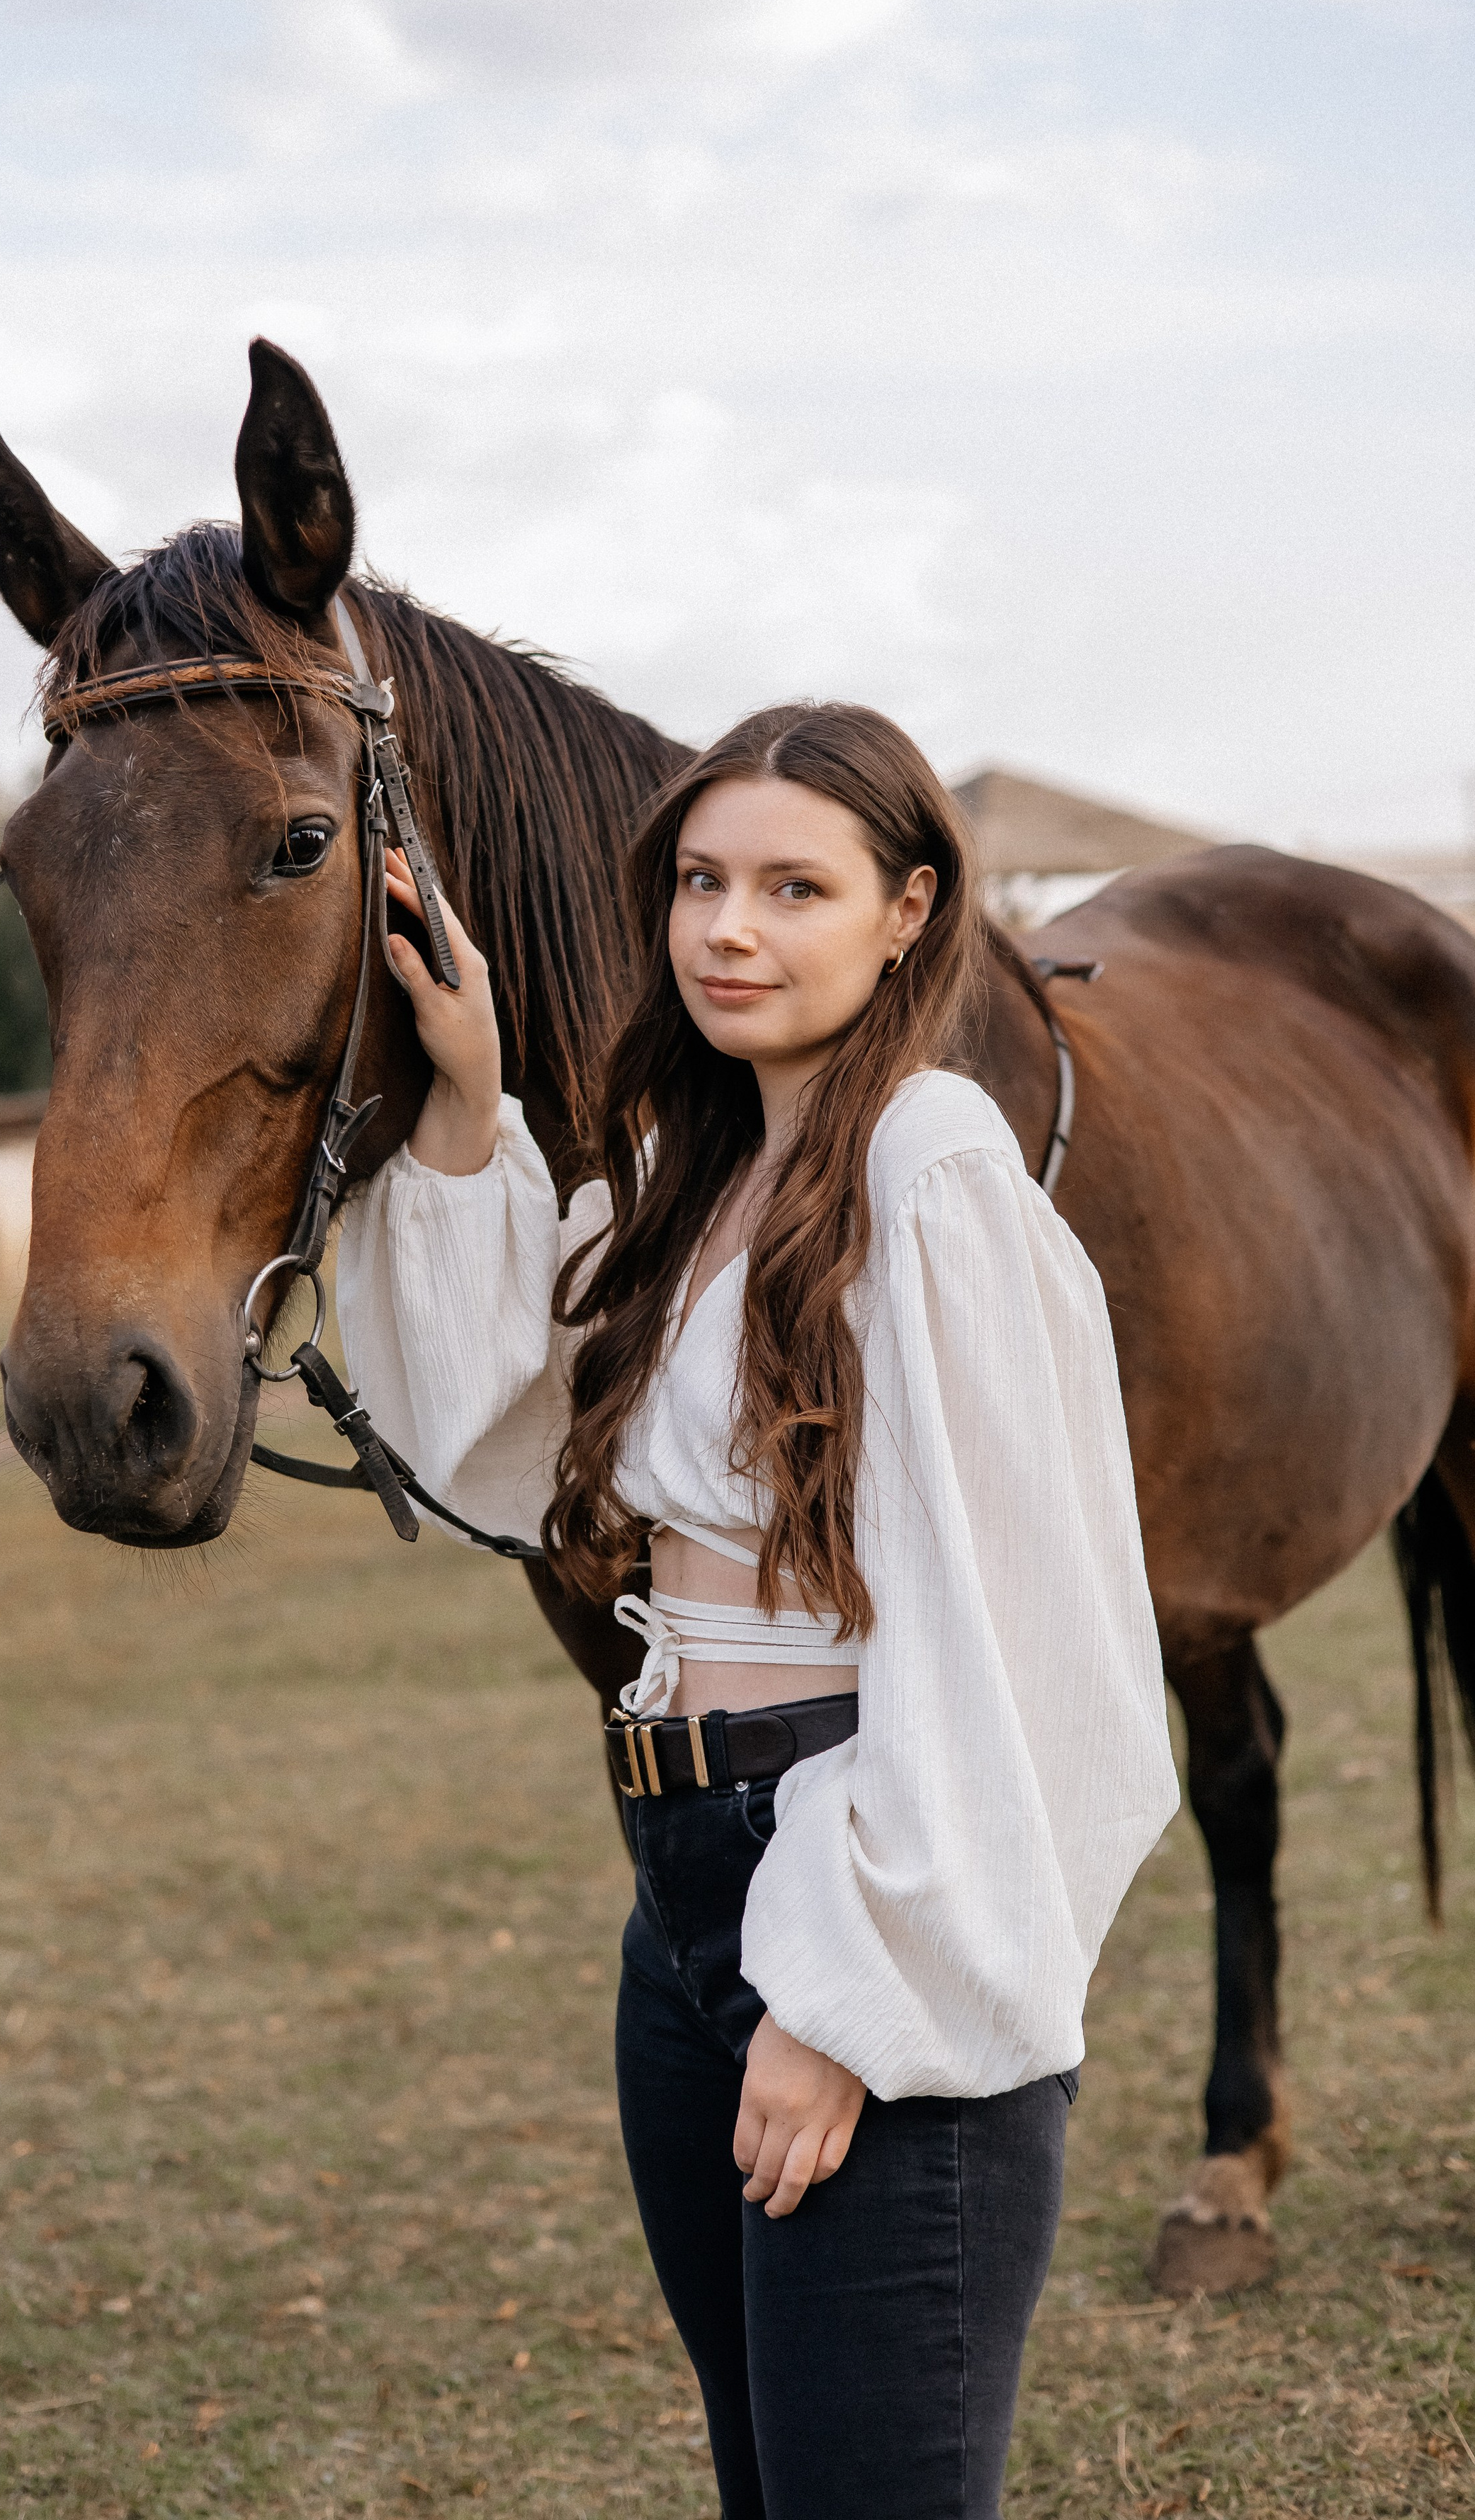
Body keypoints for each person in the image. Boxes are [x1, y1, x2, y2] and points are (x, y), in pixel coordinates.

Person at [339, 702, 1178, 2520]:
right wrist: (470, 1100)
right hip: (678, 1902)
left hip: (859, 1895)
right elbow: (497, 1419)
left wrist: (845, 1991)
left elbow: (1014, 1632)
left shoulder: (929, 1164)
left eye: (794, 887)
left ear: (907, 912)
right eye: (701, 882)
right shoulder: (686, 1170)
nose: (727, 929)